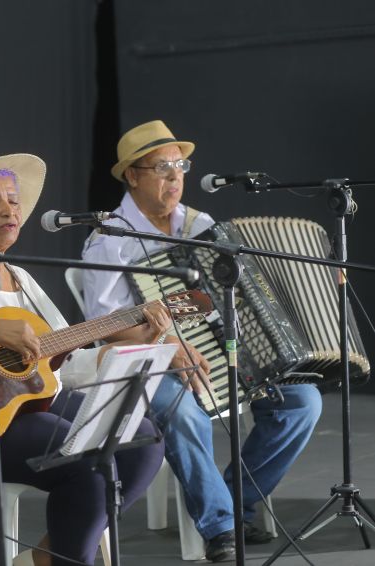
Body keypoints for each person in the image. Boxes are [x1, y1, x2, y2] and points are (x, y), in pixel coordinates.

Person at [0, 152, 169, 566]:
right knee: (86, 461)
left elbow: (59, 362)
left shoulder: (21, 280)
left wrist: (117, 347)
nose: (9, 210)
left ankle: (46, 556)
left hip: (27, 403)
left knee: (142, 441)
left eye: (14, 201)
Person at [81, 120, 323, 562]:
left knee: (302, 402)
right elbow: (102, 324)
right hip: (147, 357)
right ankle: (221, 526)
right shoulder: (110, 239)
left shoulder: (200, 224)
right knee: (182, 411)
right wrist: (169, 346)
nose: (175, 177)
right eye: (162, 168)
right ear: (132, 175)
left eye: (180, 167)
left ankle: (236, 499)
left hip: (216, 347)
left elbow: (234, 294)